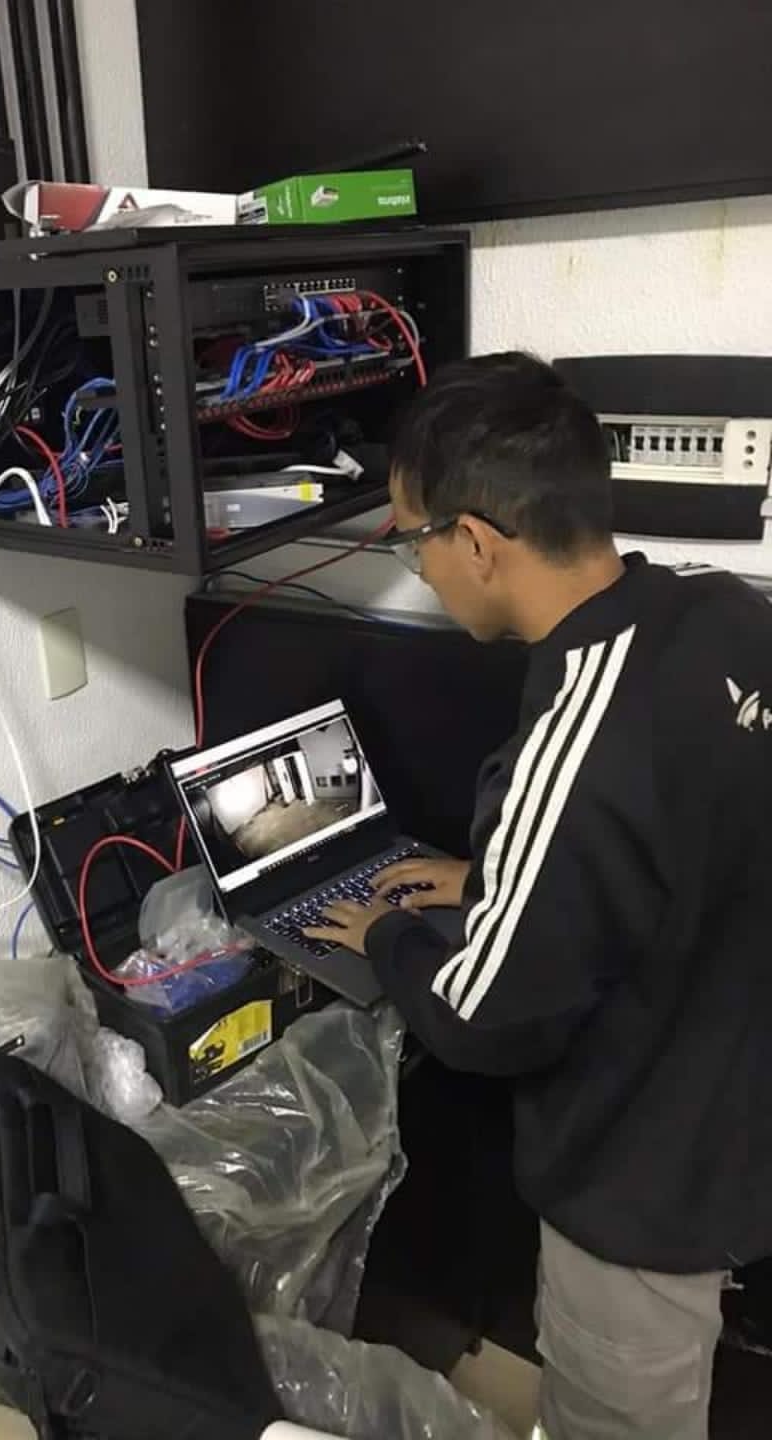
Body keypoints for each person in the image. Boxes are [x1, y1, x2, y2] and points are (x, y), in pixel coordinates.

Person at [303, 352, 772, 1439]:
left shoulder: (575, 748)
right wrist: (509, 878)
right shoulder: (724, 615)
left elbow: (479, 1015)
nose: (421, 570)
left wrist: (387, 937)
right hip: (737, 1112)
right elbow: (691, 834)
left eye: (415, 540)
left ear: (476, 542)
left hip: (645, 1188)